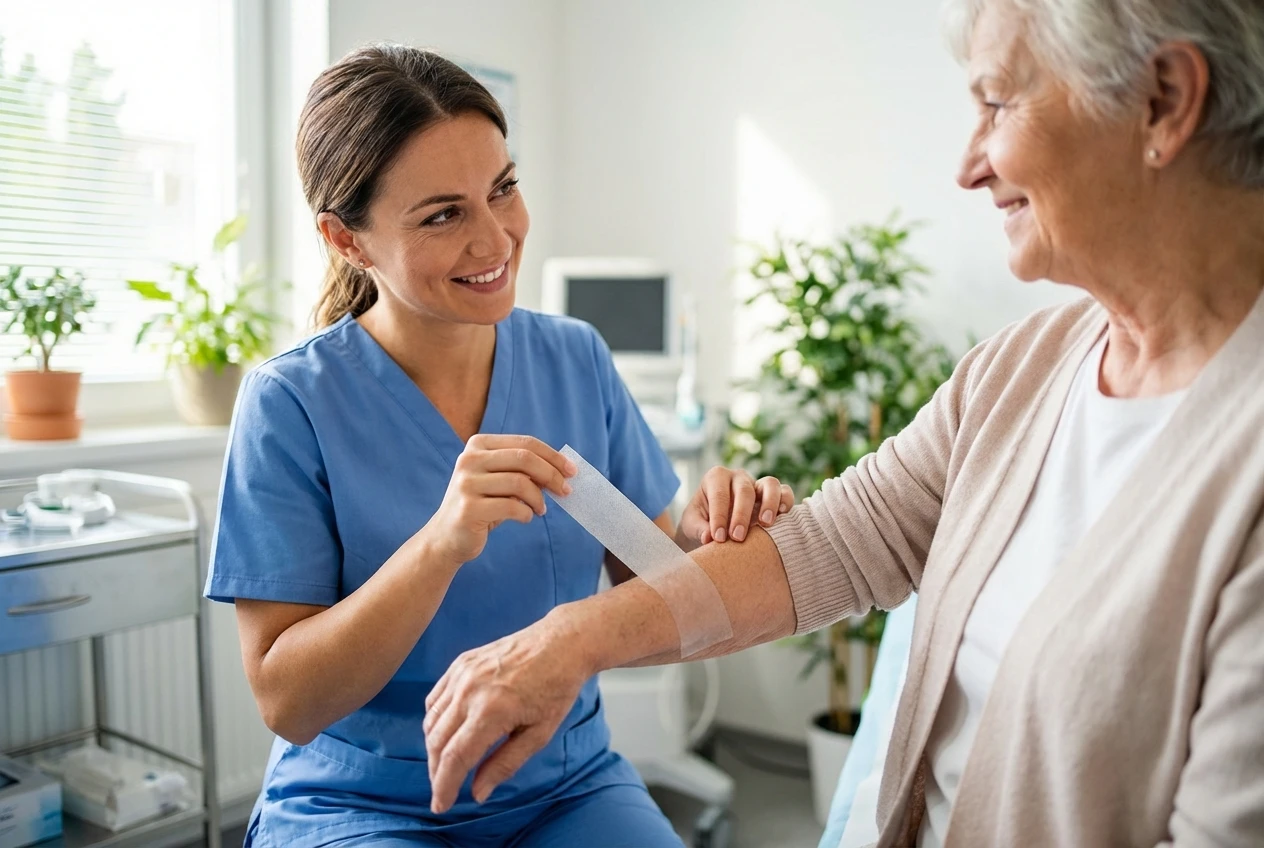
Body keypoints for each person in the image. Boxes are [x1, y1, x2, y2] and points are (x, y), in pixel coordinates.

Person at [421, 1, 1264, 845]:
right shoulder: (1022, 370)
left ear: (1163, 100)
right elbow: (829, 544)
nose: (969, 166)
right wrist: (569, 641)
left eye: (997, 104)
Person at [205, 44, 795, 848]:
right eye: (443, 214)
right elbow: (288, 701)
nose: (497, 239)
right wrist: (441, 543)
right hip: (365, 806)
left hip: (566, 785)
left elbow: (654, 575)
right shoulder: (291, 404)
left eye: (504, 189)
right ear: (347, 240)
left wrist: (719, 527)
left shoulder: (574, 358)